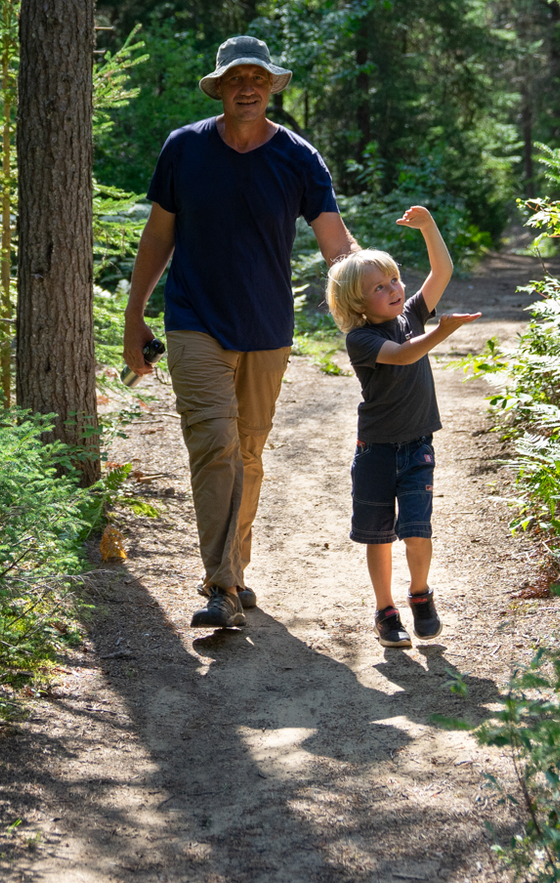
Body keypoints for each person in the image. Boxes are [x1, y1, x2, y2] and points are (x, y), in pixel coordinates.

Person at [122, 35, 357, 630]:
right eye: (235, 79)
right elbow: (158, 236)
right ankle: (222, 586)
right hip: (193, 319)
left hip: (266, 327)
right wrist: (134, 316)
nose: (247, 87)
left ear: (271, 87)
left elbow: (337, 246)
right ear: (220, 87)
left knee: (247, 453)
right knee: (214, 445)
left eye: (257, 78)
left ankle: (234, 571)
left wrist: (377, 296)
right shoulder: (184, 149)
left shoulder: (299, 158)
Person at [326, 207, 479, 647]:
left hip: (417, 446)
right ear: (358, 304)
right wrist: (442, 332)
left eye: (394, 279)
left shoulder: (411, 314)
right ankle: (385, 610)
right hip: (376, 450)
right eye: (379, 287)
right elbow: (405, 354)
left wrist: (430, 225)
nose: (393, 289)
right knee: (378, 536)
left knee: (417, 529)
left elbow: (442, 270)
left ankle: (420, 595)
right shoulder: (362, 339)